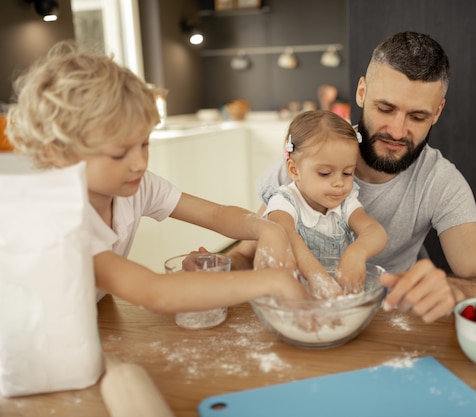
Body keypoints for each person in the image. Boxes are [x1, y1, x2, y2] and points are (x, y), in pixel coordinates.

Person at [228, 31, 476, 322]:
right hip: (304, 318)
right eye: (386, 108)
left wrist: (456, 291)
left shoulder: (440, 182)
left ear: (438, 111)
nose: (398, 131)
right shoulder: (309, 161)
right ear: (362, 92)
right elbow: (245, 256)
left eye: (417, 117)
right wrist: (217, 267)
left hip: (391, 327)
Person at [5, 42, 310, 314]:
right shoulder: (59, 214)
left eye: (144, 144)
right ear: (59, 153)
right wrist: (268, 281)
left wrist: (263, 227)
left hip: (89, 314)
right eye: (118, 154)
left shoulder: (134, 185)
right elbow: (153, 293)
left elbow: (215, 214)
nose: (139, 163)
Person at [261, 110, 387, 298]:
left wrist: (358, 252)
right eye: (325, 173)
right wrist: (316, 275)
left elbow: (375, 231)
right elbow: (285, 235)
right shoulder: (284, 202)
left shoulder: (345, 203)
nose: (339, 183)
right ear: (294, 170)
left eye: (347, 173)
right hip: (293, 299)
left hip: (334, 298)